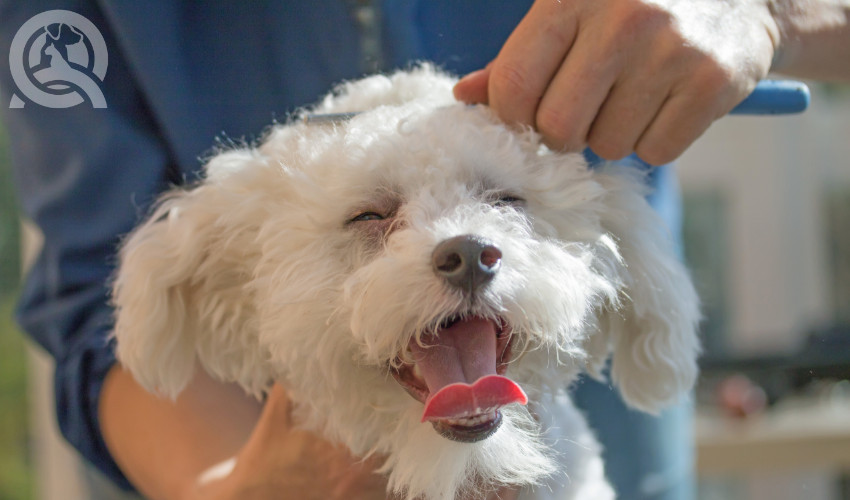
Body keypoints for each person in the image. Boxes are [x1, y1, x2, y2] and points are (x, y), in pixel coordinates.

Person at [0, 1, 847, 499]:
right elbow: (92, 289)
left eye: (505, 204)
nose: (466, 247)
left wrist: (767, 9)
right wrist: (238, 488)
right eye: (375, 221)